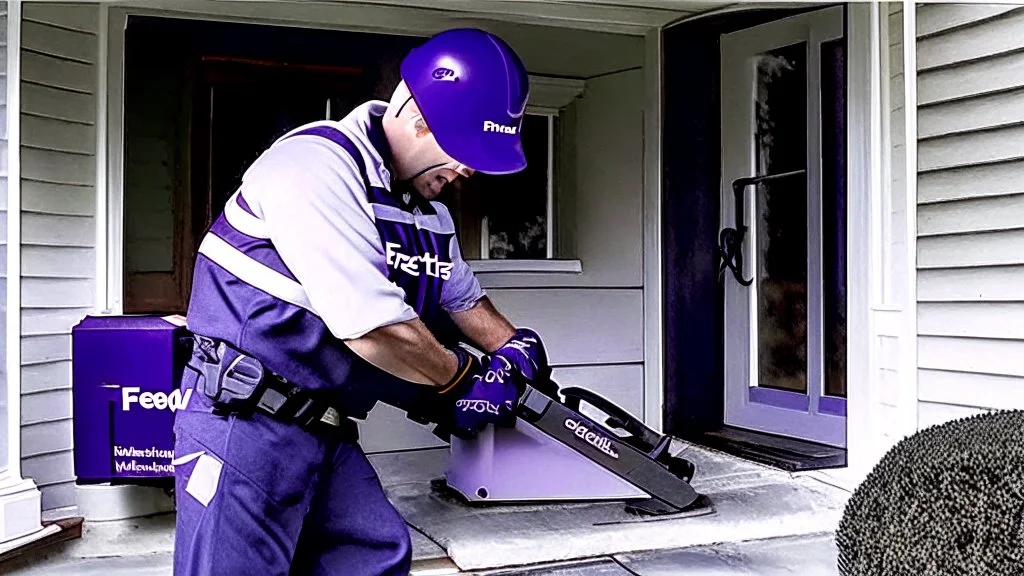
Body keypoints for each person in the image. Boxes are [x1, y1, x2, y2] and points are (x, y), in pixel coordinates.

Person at [170, 28, 550, 576]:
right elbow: (372, 327)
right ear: (420, 117)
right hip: (244, 420)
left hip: (322, 427)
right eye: (466, 151)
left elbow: (462, 298)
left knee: (372, 557)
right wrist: (462, 380)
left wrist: (516, 350)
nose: (469, 170)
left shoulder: (425, 211)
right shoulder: (313, 166)